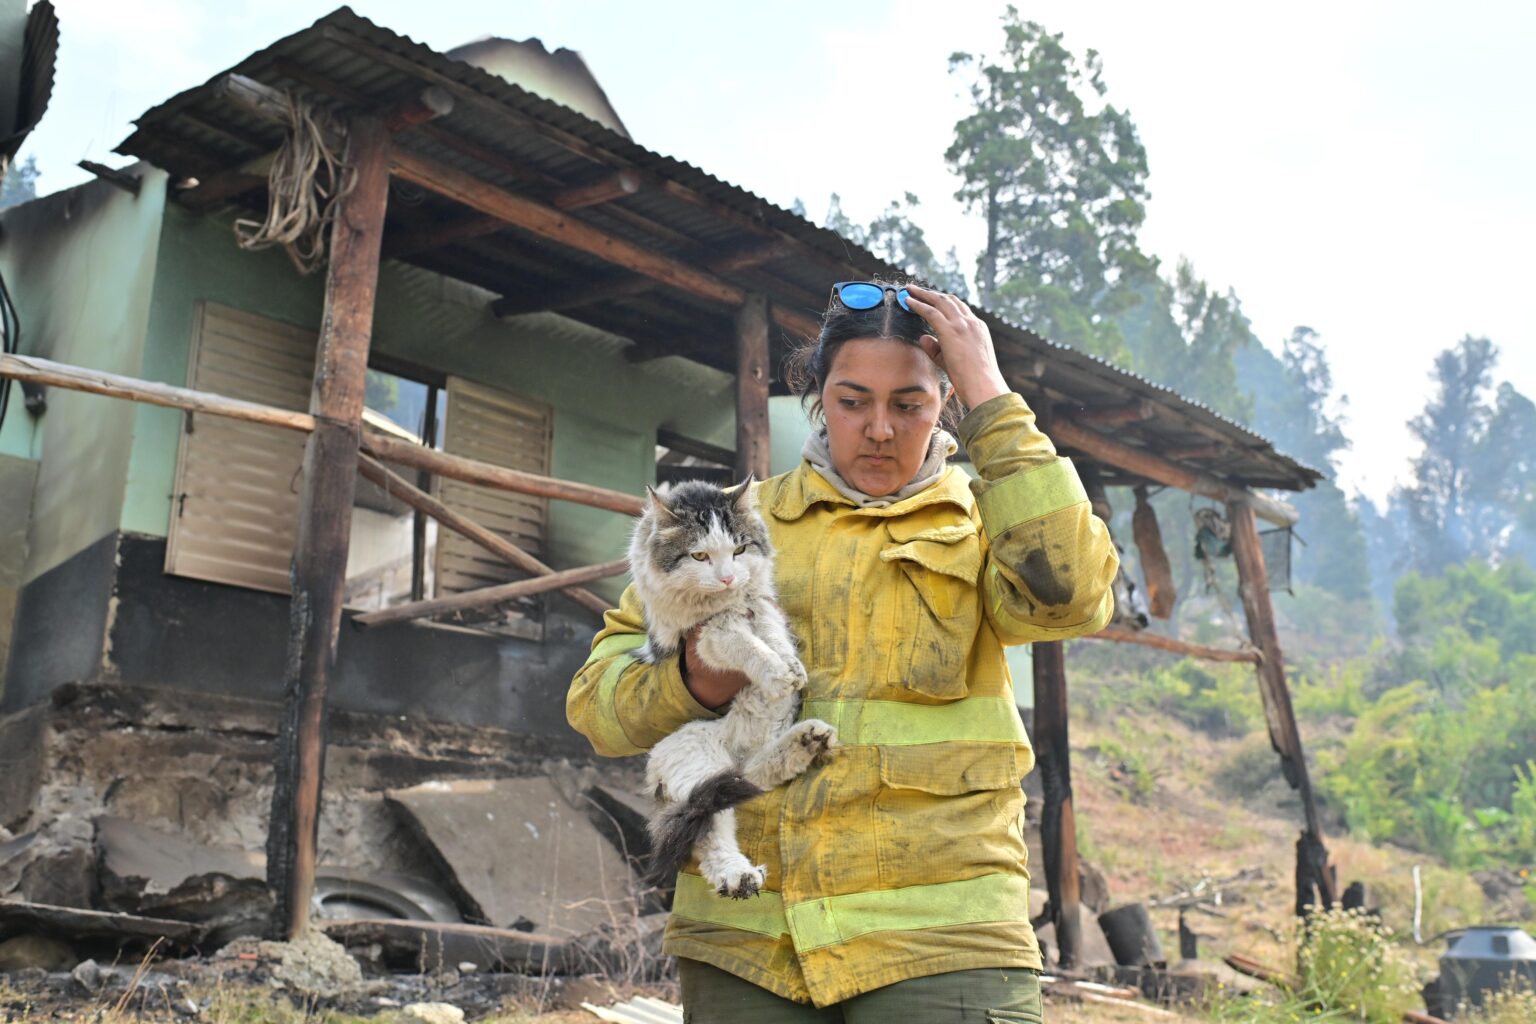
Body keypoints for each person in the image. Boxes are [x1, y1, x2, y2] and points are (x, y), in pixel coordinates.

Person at [567, 281, 1119, 1022]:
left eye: (910, 404)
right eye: (853, 401)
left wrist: (993, 394)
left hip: (944, 942)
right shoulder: (737, 534)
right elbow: (597, 708)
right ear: (818, 399)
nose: (880, 429)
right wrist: (692, 681)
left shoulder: (988, 525)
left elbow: (1074, 595)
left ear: (947, 403)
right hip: (750, 936)